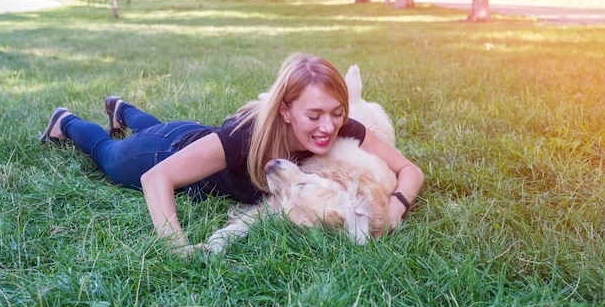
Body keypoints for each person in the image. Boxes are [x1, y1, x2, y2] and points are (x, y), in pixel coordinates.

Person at [41, 53, 424, 255]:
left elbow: (410, 170)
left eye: (337, 113)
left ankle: (122, 109)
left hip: (196, 141)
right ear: (286, 112)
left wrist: (397, 204)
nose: (329, 127)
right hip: (162, 152)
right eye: (314, 115)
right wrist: (177, 246)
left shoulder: (341, 129)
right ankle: (66, 122)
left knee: (156, 127)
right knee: (110, 156)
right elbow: (156, 179)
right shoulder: (247, 136)